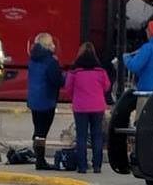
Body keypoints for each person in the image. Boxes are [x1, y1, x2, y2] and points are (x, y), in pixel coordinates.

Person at [64, 43, 110, 174]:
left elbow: (68, 88)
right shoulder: (100, 71)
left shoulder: (74, 72)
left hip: (80, 107)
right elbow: (107, 86)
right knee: (97, 136)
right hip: (97, 106)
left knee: (81, 136)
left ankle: (82, 166)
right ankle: (97, 166)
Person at [27, 33, 63, 170]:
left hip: (34, 99)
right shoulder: (51, 61)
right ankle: (40, 161)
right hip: (47, 99)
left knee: (38, 129)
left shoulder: (33, 59)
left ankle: (38, 157)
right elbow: (56, 81)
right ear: (48, 45)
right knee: (42, 131)